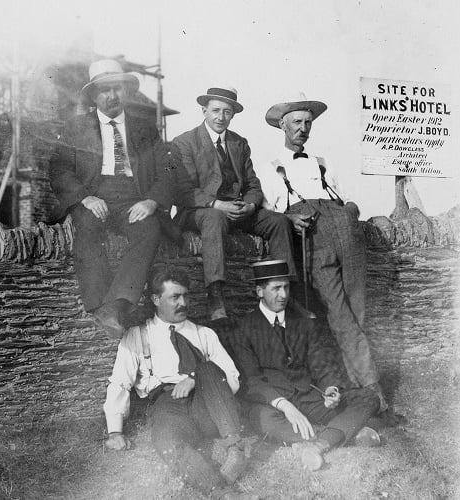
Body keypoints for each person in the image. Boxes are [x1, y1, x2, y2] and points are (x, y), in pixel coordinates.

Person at [259, 94, 386, 410]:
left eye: (307, 123)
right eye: (296, 123)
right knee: (340, 314)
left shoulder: (323, 162)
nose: (303, 129)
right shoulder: (269, 167)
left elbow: (345, 198)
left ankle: (356, 387)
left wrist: (350, 211)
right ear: (282, 126)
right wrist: (289, 218)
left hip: (345, 231)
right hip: (312, 237)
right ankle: (371, 390)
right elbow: (268, 213)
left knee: (360, 310)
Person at [103, 266, 256, 500]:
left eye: (186, 295)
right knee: (167, 442)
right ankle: (221, 491)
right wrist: (115, 431)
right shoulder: (137, 335)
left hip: (209, 408)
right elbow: (120, 383)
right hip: (168, 406)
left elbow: (231, 376)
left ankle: (235, 449)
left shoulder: (204, 333)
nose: (183, 303)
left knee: (206, 368)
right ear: (156, 299)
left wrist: (194, 379)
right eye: (175, 297)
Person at [49, 59, 174, 339]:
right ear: (94, 96)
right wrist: (84, 197)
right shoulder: (76, 128)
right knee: (87, 226)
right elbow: (59, 168)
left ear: (126, 91)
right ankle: (97, 304)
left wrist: (152, 201)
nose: (112, 96)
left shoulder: (145, 128)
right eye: (104, 90)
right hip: (95, 197)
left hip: (134, 198)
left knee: (149, 229)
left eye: (117, 89)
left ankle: (115, 306)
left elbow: (167, 171)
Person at [228, 260, 381, 471]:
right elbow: (251, 381)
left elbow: (322, 365)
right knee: (259, 417)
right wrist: (285, 405)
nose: (283, 295)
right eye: (276, 289)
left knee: (368, 398)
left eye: (286, 287)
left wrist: (330, 389)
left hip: (309, 398)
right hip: (274, 404)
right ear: (259, 291)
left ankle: (318, 444)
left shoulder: (303, 323)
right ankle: (346, 433)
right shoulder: (243, 329)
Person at [171, 86, 297, 325]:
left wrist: (249, 206)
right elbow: (182, 190)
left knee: (278, 221)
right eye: (215, 110)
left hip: (237, 209)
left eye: (227, 112)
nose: (220, 117)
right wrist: (216, 204)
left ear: (233, 115)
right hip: (199, 211)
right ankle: (216, 297)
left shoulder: (239, 143)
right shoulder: (185, 142)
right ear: (204, 110)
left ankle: (284, 290)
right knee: (214, 218)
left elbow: (253, 185)